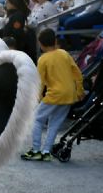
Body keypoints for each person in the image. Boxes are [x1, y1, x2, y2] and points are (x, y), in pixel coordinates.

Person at [22, 28, 82, 160]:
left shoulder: (43, 59)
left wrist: (38, 98)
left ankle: (36, 150)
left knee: (36, 119)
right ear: (55, 41)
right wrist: (79, 91)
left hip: (55, 94)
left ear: (40, 44)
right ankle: (46, 152)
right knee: (54, 124)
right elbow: (77, 73)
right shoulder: (64, 54)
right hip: (69, 94)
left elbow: (40, 83)